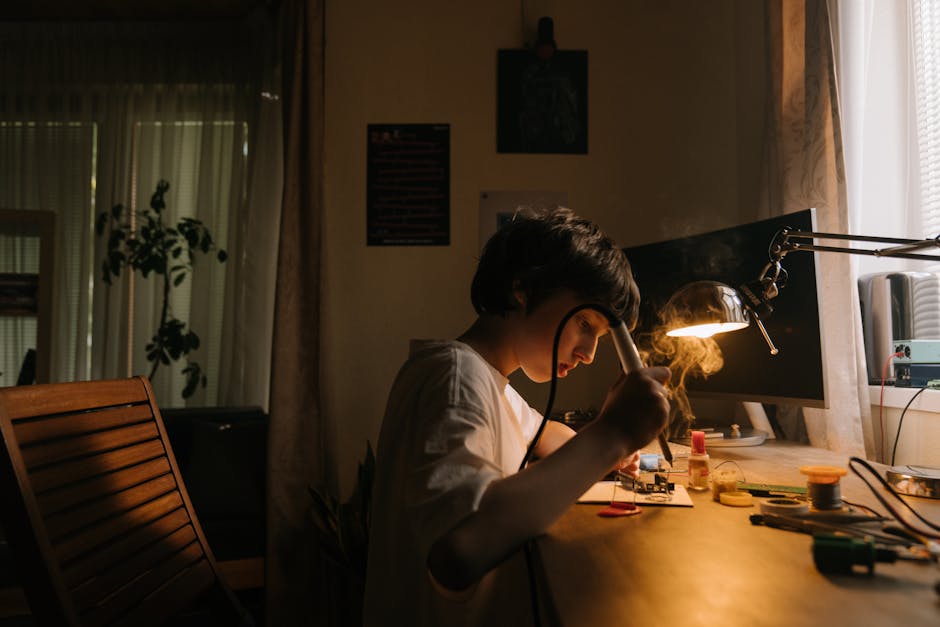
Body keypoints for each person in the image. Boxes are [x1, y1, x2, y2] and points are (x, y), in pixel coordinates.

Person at [362, 207, 671, 626]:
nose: (589, 353)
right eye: (583, 323)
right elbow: (459, 550)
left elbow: (547, 436)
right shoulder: (456, 376)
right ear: (523, 288)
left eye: (598, 336)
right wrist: (612, 435)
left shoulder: (493, 384)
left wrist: (609, 449)